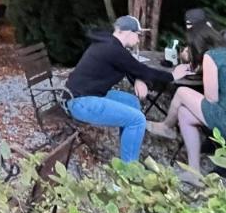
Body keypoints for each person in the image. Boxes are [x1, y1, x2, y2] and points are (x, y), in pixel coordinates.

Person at [64, 16, 192, 162]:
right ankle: (129, 170)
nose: (139, 39)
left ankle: (128, 151)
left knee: (132, 102)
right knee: (138, 120)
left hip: (88, 94)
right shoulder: (113, 49)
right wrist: (173, 75)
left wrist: (138, 79)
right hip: (80, 102)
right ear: (127, 32)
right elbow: (142, 69)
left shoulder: (109, 44)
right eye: (138, 35)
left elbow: (130, 67)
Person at [148, 22, 226, 178]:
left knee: (181, 92)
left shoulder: (211, 56)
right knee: (184, 113)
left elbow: (211, 99)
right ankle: (194, 173)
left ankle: (167, 127)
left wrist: (199, 66)